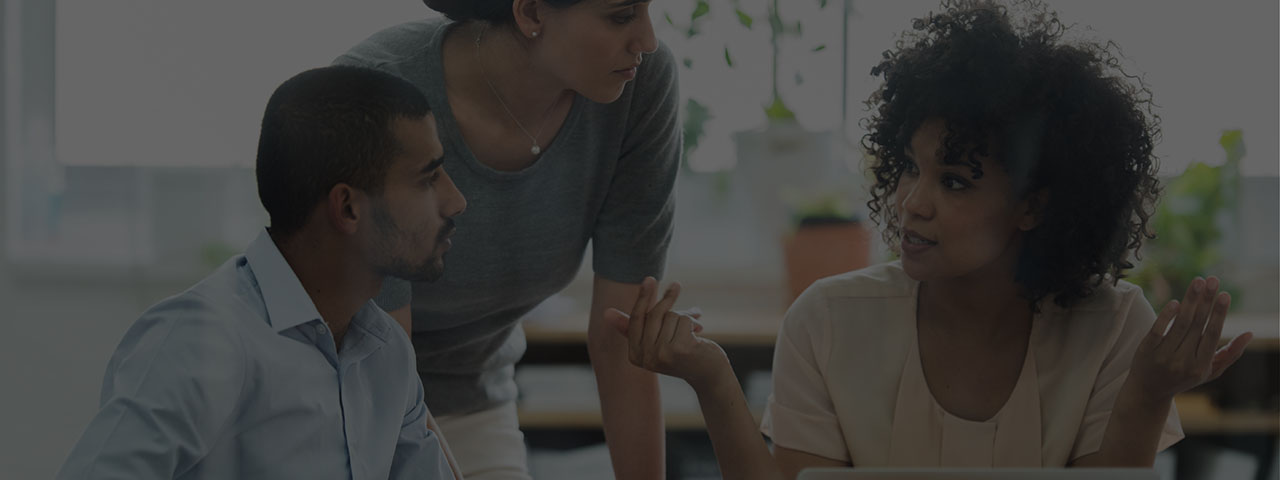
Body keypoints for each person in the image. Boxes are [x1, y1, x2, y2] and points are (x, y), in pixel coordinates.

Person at [606, 1, 1255, 478]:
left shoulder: (1112, 329)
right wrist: (714, 380)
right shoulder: (828, 321)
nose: (912, 203)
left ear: (1034, 204)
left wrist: (1148, 393)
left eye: (954, 181)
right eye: (911, 168)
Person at [56, 66, 467, 480]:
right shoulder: (199, 340)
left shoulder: (387, 353)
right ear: (347, 208)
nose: (456, 201)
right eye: (427, 179)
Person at [333, 1, 680, 478]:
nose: (648, 40)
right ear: (532, 12)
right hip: (340, 401)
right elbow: (383, 369)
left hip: (475, 397)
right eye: (621, 15)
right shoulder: (372, 97)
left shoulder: (638, 83)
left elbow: (621, 335)